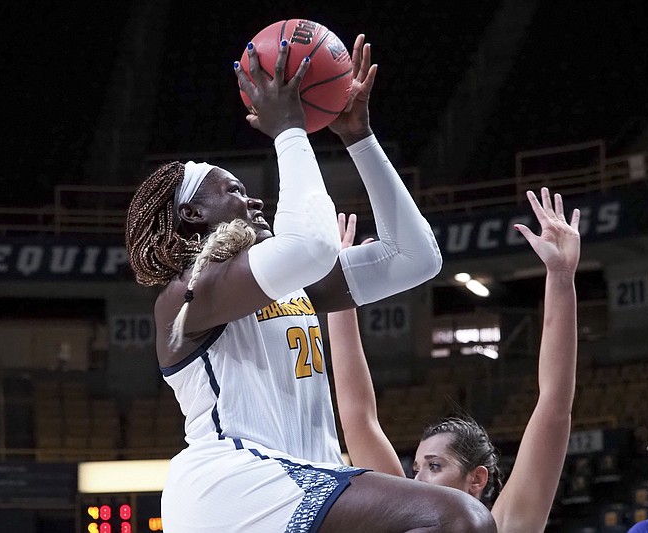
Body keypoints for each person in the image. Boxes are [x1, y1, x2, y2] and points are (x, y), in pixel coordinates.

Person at [124, 34, 496, 533]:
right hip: (235, 485)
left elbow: (416, 258)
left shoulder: (287, 284)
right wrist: (290, 131)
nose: (255, 203)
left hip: (305, 478)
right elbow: (314, 245)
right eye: (234, 192)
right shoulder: (188, 293)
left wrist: (359, 138)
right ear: (191, 213)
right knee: (462, 518)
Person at [329, 186, 580, 532]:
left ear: (476, 479)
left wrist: (561, 278)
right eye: (416, 468)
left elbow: (554, 405)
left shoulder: (504, 525)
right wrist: (341, 291)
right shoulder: (403, 514)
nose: (417, 478)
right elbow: (358, 418)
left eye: (434, 466)